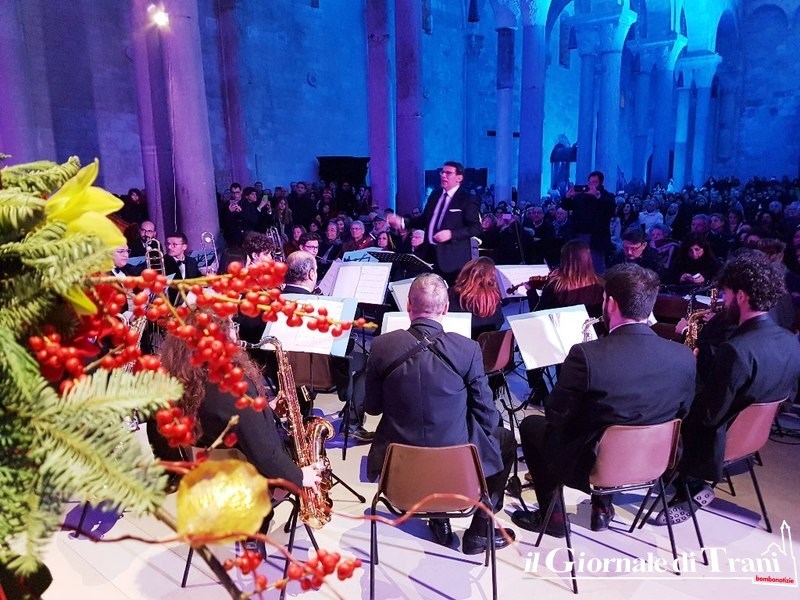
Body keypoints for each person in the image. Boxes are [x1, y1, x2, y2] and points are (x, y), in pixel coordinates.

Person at [510, 264, 696, 536]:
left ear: (610, 303)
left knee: (532, 426)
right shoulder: (683, 356)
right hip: (655, 461)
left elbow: (556, 415)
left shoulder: (586, 355)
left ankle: (554, 518)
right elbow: (684, 411)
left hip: (596, 464)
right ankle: (602, 506)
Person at [365, 273, 516, 554]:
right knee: (505, 441)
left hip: (398, 477)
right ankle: (479, 531)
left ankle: (439, 519)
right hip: (456, 473)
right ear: (446, 308)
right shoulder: (468, 349)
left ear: (408, 306)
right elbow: (487, 415)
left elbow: (371, 407)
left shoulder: (381, 346)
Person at [658, 252, 800, 525]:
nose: (723, 301)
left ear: (741, 296)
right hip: (754, 438)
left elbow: (709, 416)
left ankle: (690, 486)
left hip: (724, 440)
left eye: (726, 294)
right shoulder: (790, 340)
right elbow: (788, 399)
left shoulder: (736, 349)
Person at [281, 251, 374, 442]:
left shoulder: (272, 301)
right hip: (321, 373)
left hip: (283, 372)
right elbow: (343, 344)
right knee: (368, 362)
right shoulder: (323, 306)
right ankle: (352, 423)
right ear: (311, 274)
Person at [387, 161, 481, 283]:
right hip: (430, 256)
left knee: (450, 292)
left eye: (448, 173)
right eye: (442, 172)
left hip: (453, 260)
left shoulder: (466, 198)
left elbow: (475, 228)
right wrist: (402, 222)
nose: (443, 175)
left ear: (459, 178)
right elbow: (424, 219)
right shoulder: (435, 195)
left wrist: (451, 234)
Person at [530, 240, 604, 318]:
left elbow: (537, 316)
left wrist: (531, 291)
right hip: (592, 325)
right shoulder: (601, 285)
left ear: (564, 260)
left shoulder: (555, 286)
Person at [561, 171, 616, 274]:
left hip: (596, 237)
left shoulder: (607, 196)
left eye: (595, 182)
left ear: (600, 183)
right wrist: (567, 196)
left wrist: (597, 196)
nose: (592, 185)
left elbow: (611, 209)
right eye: (590, 182)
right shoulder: (581, 196)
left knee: (596, 266)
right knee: (578, 265)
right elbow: (566, 206)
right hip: (578, 234)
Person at [448, 257, 505, 340]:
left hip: (460, 342)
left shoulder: (452, 293)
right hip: (486, 344)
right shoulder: (494, 297)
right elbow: (499, 322)